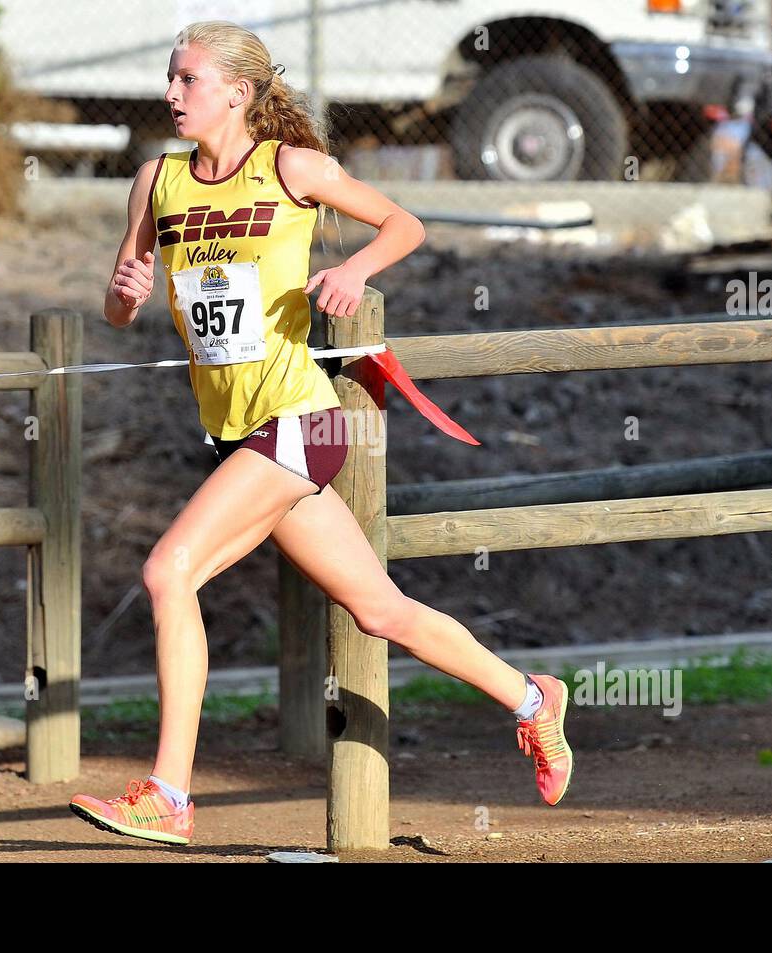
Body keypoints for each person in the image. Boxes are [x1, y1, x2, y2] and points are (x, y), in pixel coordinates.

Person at [69, 19, 572, 846]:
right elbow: (120, 310)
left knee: (169, 571)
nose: (170, 94)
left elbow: (404, 225)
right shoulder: (156, 181)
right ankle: (532, 697)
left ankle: (170, 792)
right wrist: (124, 291)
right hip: (244, 435)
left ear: (235, 92)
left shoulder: (292, 169)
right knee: (382, 610)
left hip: (301, 422)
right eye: (170, 78)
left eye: (185, 80)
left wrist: (353, 269)